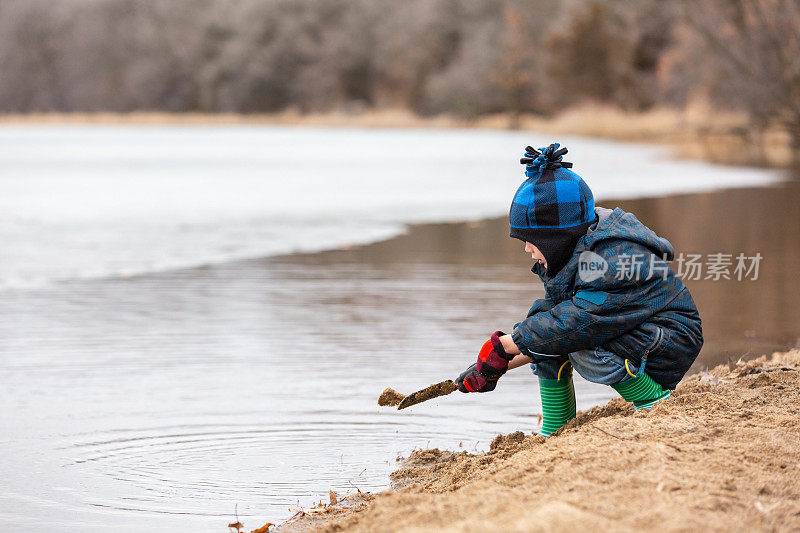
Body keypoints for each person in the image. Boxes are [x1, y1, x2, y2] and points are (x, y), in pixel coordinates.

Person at [456, 143, 703, 436]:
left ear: (556, 238)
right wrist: (494, 365)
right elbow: (549, 329)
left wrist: (505, 345)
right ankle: (556, 425)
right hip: (637, 333)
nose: (526, 248)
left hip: (670, 340)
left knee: (569, 335)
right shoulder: (574, 253)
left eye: (531, 239)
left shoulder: (612, 259)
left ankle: (652, 400)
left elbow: (579, 322)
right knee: (544, 325)